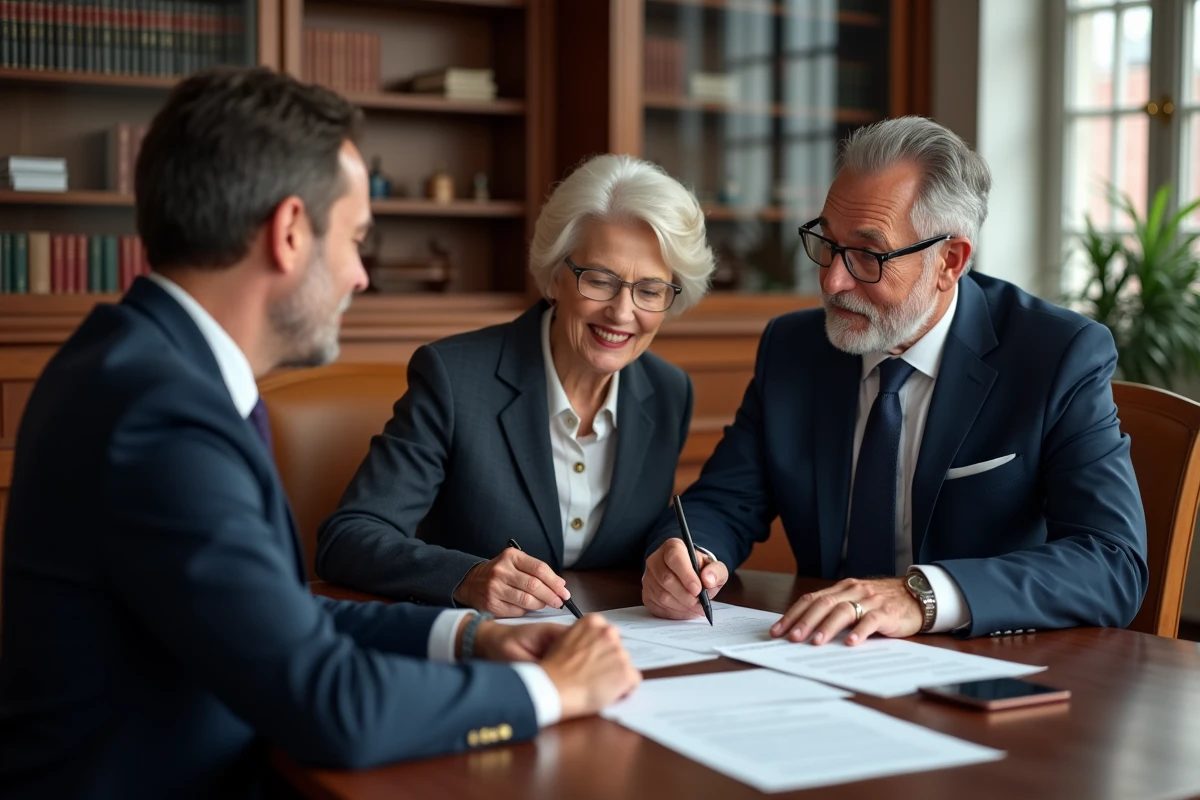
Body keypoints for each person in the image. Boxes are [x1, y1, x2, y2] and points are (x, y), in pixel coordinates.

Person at [0, 67, 639, 800]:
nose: (361, 276)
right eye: (357, 240)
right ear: (291, 232)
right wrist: (551, 692)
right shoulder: (160, 414)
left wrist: (471, 637)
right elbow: (331, 705)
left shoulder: (142, 366)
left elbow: (278, 617)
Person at [642, 116, 1148, 644]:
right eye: (828, 243)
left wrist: (923, 596)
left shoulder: (1055, 355)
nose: (833, 280)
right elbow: (723, 501)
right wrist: (687, 555)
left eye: (868, 255)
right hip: (819, 654)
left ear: (949, 262)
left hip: (987, 665)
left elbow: (1111, 560)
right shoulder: (794, 349)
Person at [315, 154, 715, 616]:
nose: (622, 313)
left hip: (617, 652)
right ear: (554, 277)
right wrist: (467, 578)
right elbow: (349, 536)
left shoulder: (668, 393)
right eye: (600, 281)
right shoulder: (453, 377)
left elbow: (639, 540)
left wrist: (675, 561)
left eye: (649, 291)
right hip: (480, 653)